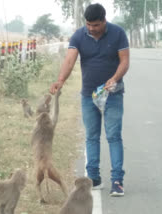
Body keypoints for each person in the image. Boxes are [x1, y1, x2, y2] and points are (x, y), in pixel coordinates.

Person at [49, 3, 129, 197]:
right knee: (91, 137)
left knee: (113, 136)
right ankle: (93, 178)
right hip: (88, 95)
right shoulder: (79, 35)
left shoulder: (118, 33)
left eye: (95, 25)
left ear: (104, 20)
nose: (91, 28)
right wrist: (61, 80)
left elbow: (125, 61)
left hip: (113, 93)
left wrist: (115, 78)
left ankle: (117, 181)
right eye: (88, 24)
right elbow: (70, 60)